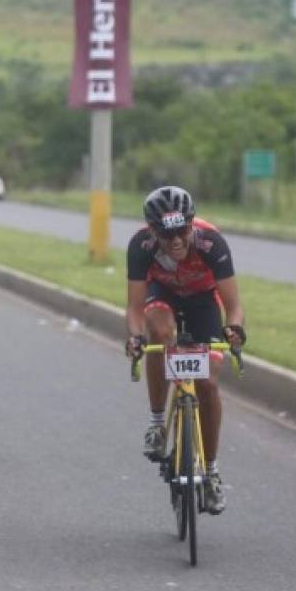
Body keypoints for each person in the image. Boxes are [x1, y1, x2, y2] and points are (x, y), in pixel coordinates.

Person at [124, 185, 246, 515]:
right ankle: (156, 423)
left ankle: (211, 473)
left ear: (191, 224)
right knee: (159, 333)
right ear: (152, 231)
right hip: (162, 292)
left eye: (182, 231)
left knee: (207, 383)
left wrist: (234, 330)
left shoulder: (211, 243)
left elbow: (234, 306)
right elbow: (135, 308)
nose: (176, 241)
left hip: (204, 300)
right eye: (167, 235)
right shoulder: (141, 245)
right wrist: (135, 337)